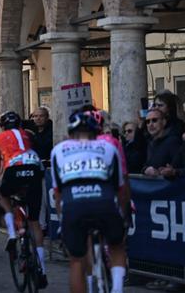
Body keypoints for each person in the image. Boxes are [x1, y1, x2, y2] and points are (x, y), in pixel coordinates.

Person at [50, 110, 127, 293]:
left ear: (70, 134)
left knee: (77, 260)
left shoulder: (58, 150)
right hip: (104, 203)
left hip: (74, 206)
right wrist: (124, 215)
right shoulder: (108, 148)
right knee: (117, 244)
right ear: (97, 133)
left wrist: (62, 220)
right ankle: (117, 288)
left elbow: (58, 193)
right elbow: (120, 187)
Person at [0, 111, 47, 288]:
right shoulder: (28, 134)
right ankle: (43, 270)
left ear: (2, 126)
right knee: (34, 222)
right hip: (34, 169)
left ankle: (12, 232)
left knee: (3, 195)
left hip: (14, 169)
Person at [142, 108, 183, 176]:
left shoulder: (173, 141)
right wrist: (146, 170)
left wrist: (172, 172)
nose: (150, 124)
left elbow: (180, 167)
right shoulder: (150, 143)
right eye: (147, 122)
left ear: (164, 122)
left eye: (154, 120)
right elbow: (146, 164)